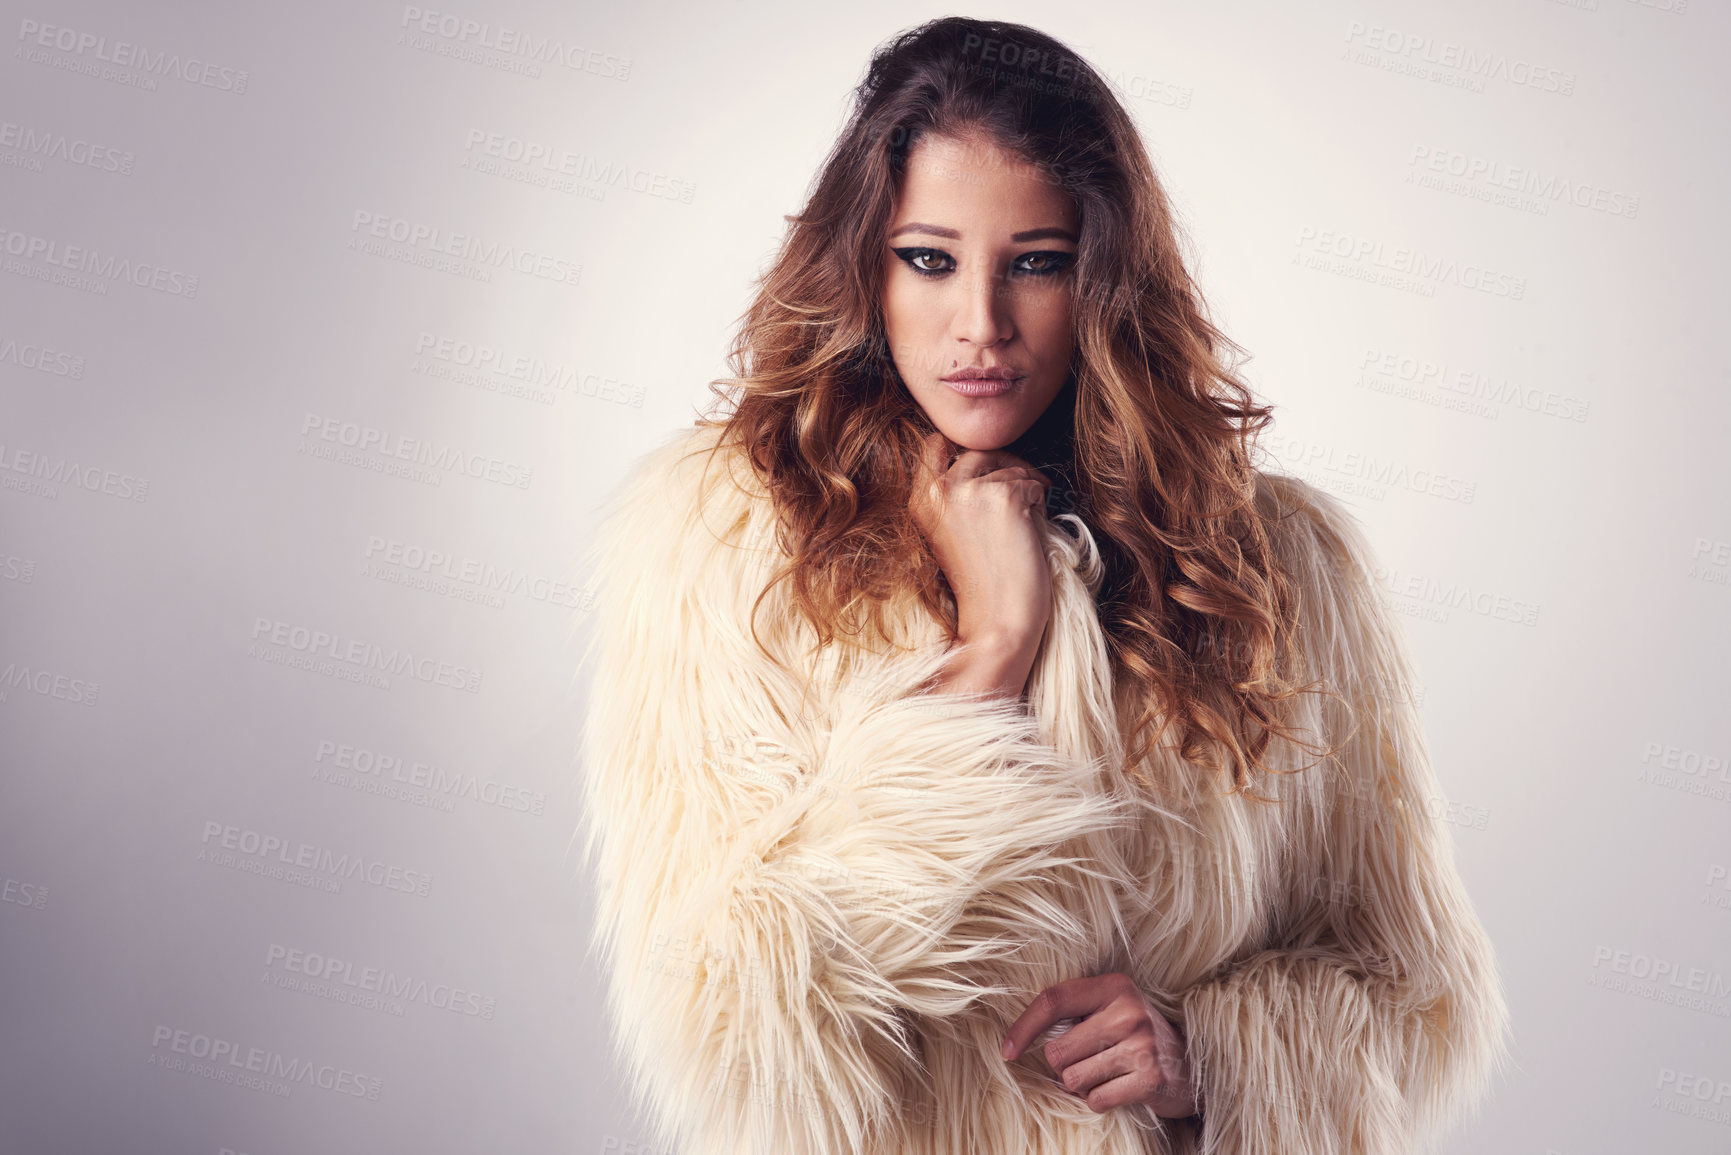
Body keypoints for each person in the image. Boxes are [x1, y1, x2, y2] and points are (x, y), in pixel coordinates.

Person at [576, 16, 1509, 1155]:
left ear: (1103, 276)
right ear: (864, 269)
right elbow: (730, 1021)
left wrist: (1205, 1057)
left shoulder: (1278, 562)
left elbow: (1414, 992)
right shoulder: (728, 538)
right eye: (930, 259)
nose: (981, 326)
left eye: (1036, 263)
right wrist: (992, 654)